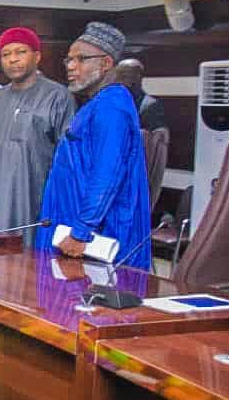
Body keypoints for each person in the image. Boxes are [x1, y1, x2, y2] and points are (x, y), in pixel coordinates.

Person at [37, 22, 152, 270]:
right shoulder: (97, 103)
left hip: (94, 239)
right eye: (68, 59)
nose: (70, 66)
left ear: (107, 63)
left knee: (93, 306)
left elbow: (107, 174)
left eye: (81, 59)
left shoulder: (112, 108)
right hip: (76, 232)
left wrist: (81, 231)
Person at [0, 27, 76, 244]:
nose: (12, 59)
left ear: (37, 56)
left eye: (20, 52)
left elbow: (67, 162)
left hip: (39, 207)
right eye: (6, 54)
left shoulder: (58, 97)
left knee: (34, 270)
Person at [114, 58, 167, 133]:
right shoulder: (112, 101)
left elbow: (154, 137)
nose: (119, 81)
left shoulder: (150, 105)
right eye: (118, 77)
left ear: (138, 77)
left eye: (124, 76)